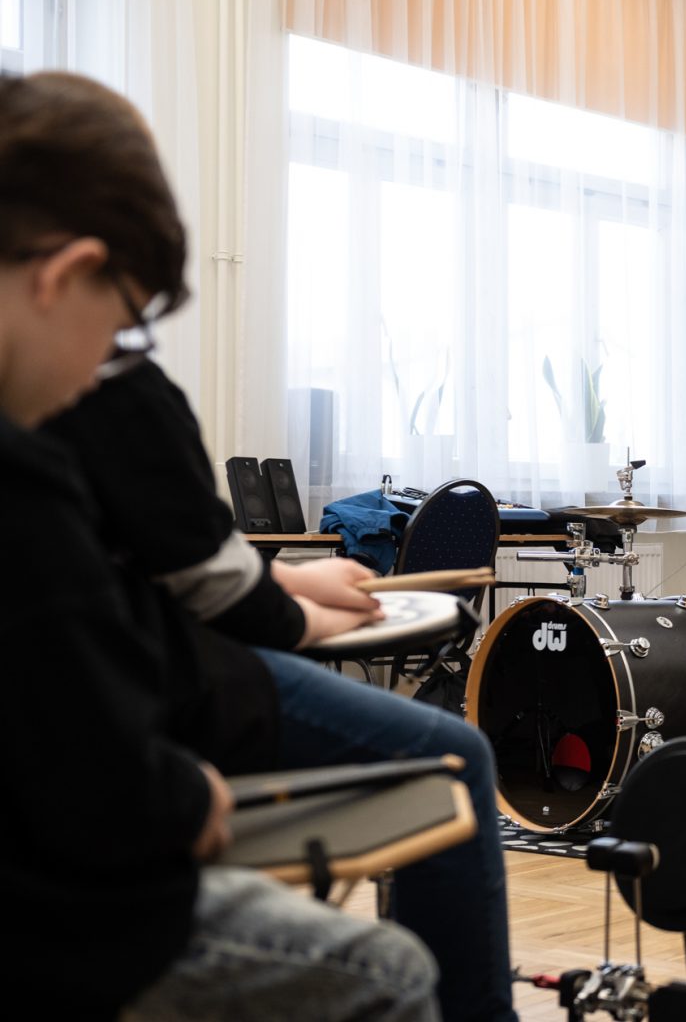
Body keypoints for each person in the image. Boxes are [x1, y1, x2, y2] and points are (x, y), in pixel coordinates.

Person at [1, 70, 436, 1019]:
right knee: (392, 970)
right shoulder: (26, 467)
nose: (108, 361)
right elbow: (98, 773)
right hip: (51, 921)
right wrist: (189, 795)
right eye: (125, 325)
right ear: (64, 275)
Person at [44, 356, 518, 1022]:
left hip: (173, 656)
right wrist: (312, 615)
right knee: (457, 757)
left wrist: (297, 582)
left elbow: (177, 557)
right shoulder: (107, 394)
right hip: (179, 675)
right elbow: (219, 590)